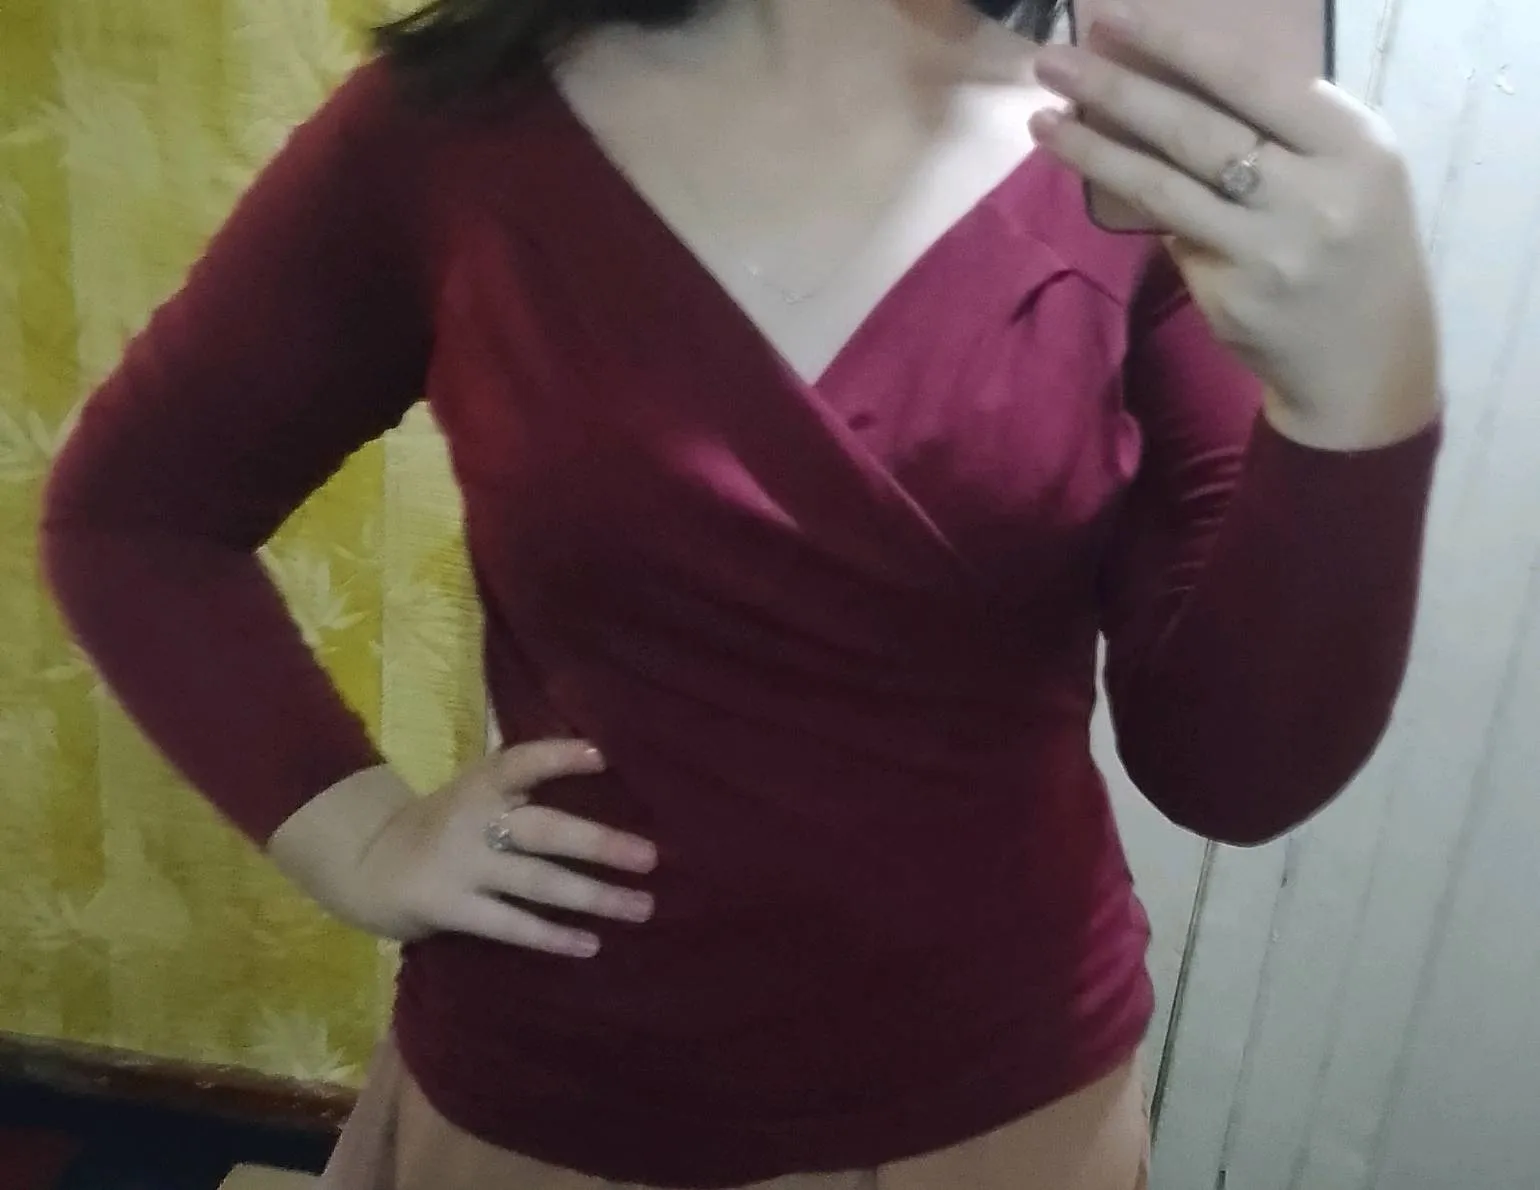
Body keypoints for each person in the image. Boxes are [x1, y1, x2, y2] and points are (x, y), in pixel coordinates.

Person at [40, 0, 1443, 1187]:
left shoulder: (1134, 168)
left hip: (1003, 1109)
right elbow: (136, 516)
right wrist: (353, 835)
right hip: (557, 1098)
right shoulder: (446, 132)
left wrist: (1361, 404)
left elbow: (1232, 770)